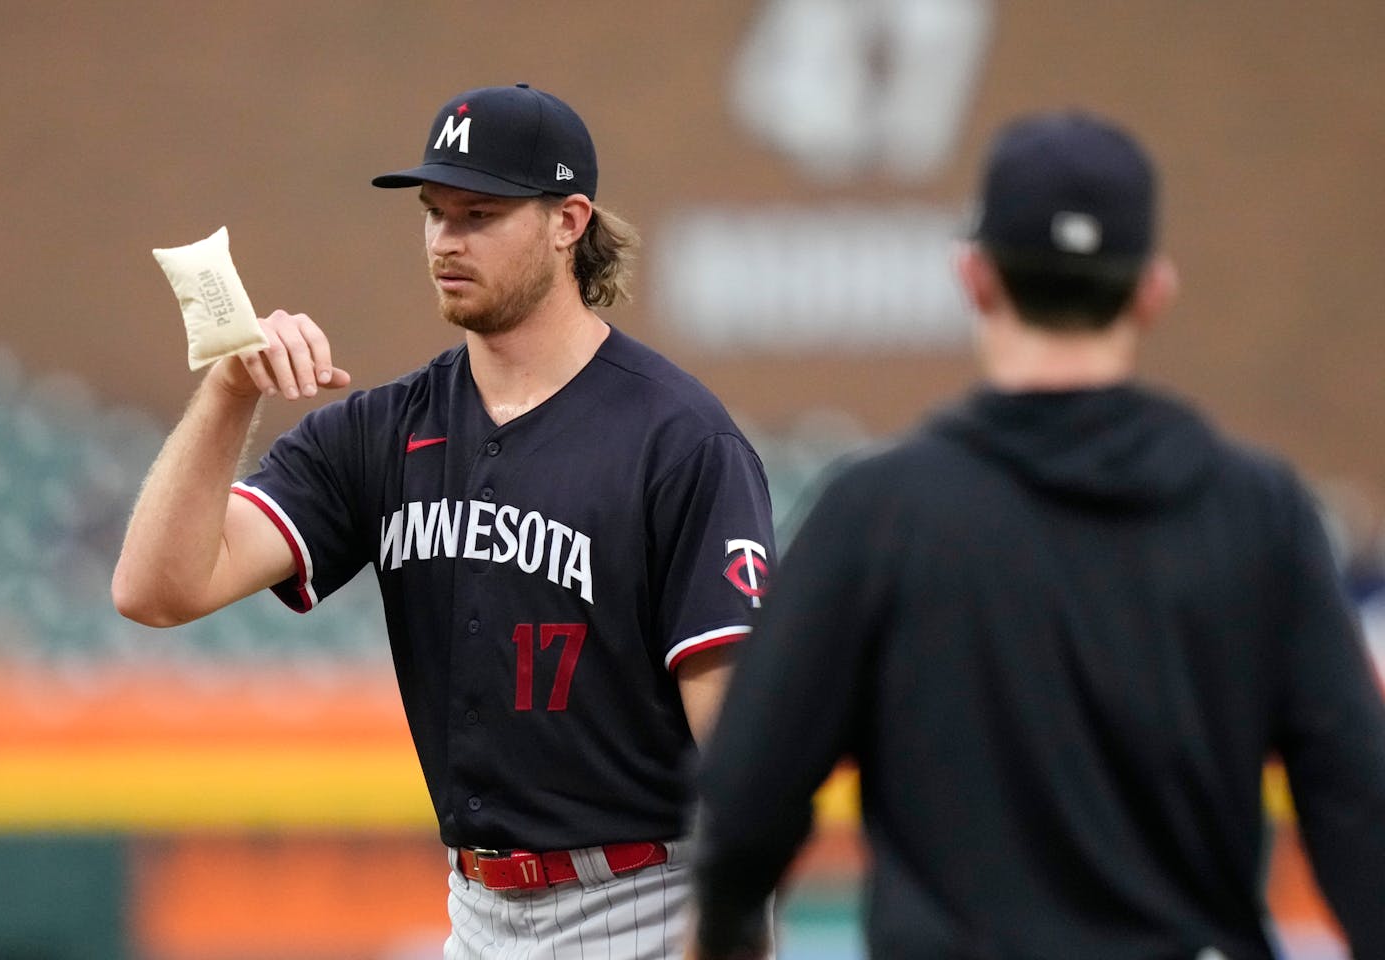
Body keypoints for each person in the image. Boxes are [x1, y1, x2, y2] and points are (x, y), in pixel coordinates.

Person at [688, 111, 1385, 960]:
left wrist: (724, 937)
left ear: (975, 277)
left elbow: (746, 803)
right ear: (1151, 290)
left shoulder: (879, 514)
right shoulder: (1260, 513)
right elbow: (1358, 806)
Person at [114, 82, 776, 959]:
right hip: (475, 913)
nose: (444, 241)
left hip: (641, 905)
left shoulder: (679, 441)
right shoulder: (384, 429)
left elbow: (745, 756)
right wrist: (231, 390)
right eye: (433, 212)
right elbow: (155, 589)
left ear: (568, 221)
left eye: (480, 213)